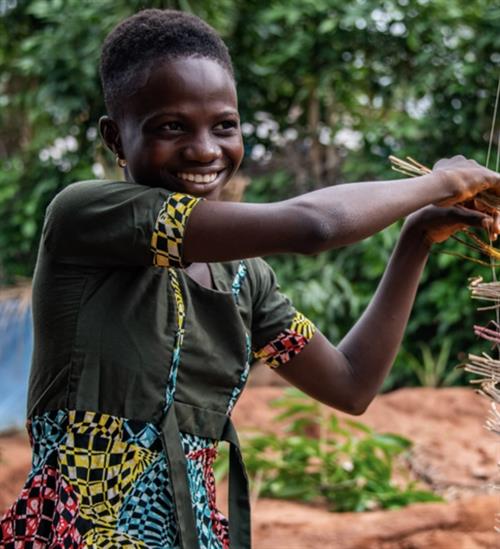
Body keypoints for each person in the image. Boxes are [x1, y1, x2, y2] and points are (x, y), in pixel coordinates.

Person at [1, 8, 500, 549]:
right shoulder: (85, 216)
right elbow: (313, 226)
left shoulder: (242, 279)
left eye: (225, 125)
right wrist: (441, 181)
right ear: (115, 138)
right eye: (171, 127)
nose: (205, 150)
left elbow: (352, 384)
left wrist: (416, 240)